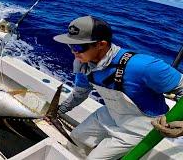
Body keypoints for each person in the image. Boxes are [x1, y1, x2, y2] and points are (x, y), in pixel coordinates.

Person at [53, 15, 183, 159]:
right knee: (76, 138)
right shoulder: (83, 64)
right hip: (111, 113)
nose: (74, 52)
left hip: (143, 124)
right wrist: (58, 110)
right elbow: (80, 93)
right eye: (70, 46)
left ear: (101, 44)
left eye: (78, 47)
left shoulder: (143, 66)